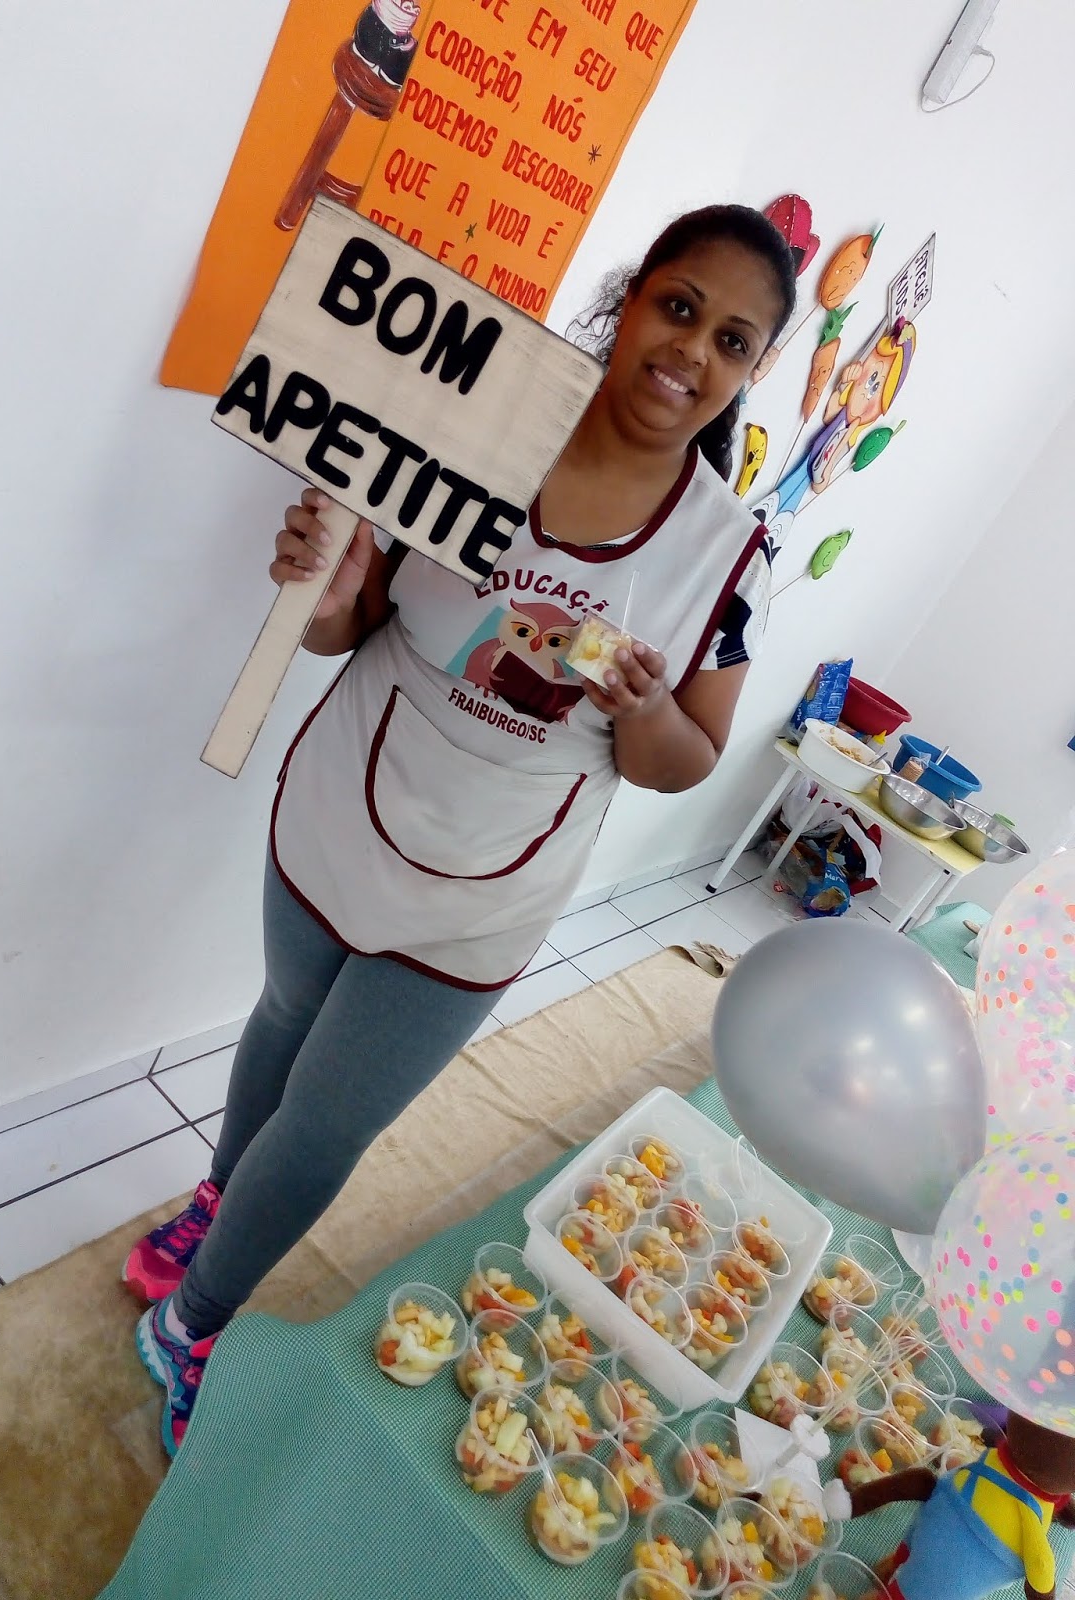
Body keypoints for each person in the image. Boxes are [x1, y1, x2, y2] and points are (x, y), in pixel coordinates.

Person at [125, 204, 797, 1453]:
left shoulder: (728, 553)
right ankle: (219, 1196)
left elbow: (683, 762)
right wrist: (325, 587)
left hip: (493, 881)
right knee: (283, 1018)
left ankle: (194, 1319)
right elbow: (349, 624)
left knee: (331, 1119)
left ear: (752, 369)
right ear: (631, 298)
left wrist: (643, 709)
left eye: (732, 340)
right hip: (352, 793)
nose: (692, 350)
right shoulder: (477, 424)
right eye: (679, 307)